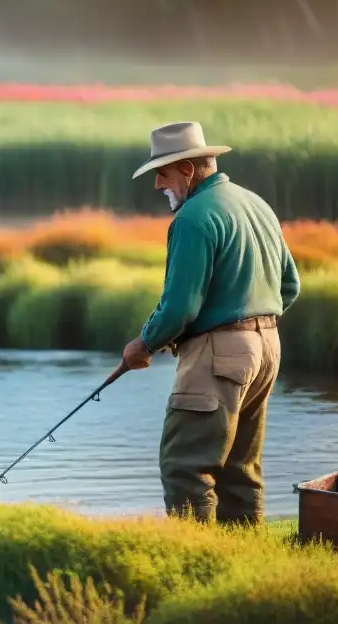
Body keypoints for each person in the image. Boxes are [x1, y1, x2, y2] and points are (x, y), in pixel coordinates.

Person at [121, 121, 301, 526]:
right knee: (241, 471)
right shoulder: (256, 204)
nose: (157, 185)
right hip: (267, 349)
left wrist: (143, 345)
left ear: (187, 168)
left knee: (185, 468)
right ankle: (243, 572)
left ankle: (196, 566)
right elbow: (290, 286)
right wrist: (253, 324)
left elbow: (179, 308)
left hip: (221, 355)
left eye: (161, 173)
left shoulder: (191, 219)